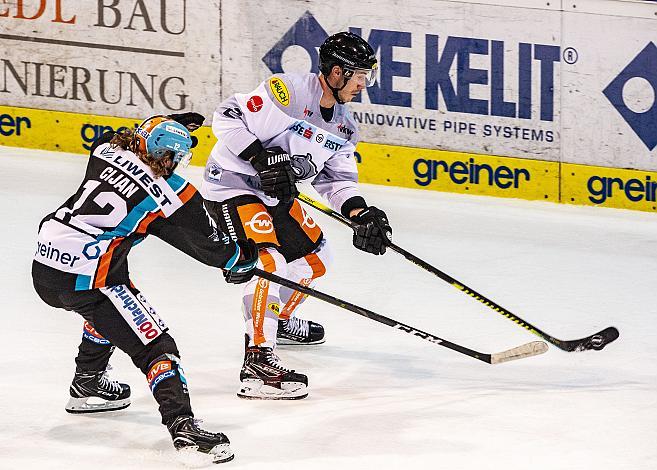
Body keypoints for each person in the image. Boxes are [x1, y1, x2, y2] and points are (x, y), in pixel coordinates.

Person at [32, 113, 259, 463]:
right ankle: (183, 426)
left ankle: (88, 381)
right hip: (88, 276)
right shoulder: (172, 193)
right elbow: (215, 250)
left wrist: (164, 123)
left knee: (112, 303)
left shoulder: (105, 149)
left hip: (45, 264)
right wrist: (241, 258)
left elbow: (125, 135)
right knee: (156, 346)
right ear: (167, 158)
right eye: (176, 158)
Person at [200, 32, 393, 400]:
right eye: (359, 77)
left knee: (316, 261)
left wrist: (359, 212)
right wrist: (258, 155)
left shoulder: (346, 127)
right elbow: (225, 117)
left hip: (276, 197)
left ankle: (277, 319)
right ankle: (256, 362)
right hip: (232, 186)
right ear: (336, 73)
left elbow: (336, 180)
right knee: (270, 263)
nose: (363, 85)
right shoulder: (286, 92)